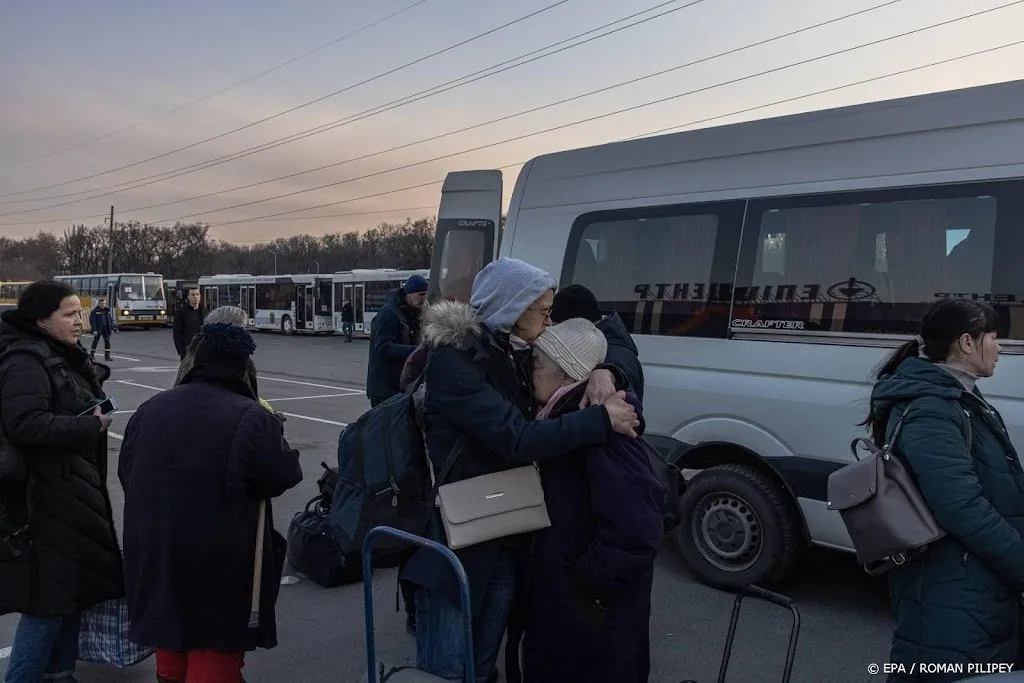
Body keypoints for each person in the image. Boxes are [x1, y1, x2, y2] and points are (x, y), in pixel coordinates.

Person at [399, 258, 641, 682]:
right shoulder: (455, 363)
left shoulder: (508, 349)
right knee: (447, 671)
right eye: (544, 311)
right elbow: (517, 438)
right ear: (513, 306)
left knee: (482, 664)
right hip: (460, 544)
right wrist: (602, 420)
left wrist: (608, 368)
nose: (550, 323)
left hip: (505, 538)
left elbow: (607, 337)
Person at [119, 323, 303, 683]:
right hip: (218, 554)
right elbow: (282, 475)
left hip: (155, 542)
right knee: (212, 649)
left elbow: (128, 472)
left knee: (168, 634)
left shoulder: (150, 408)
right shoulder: (251, 416)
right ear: (243, 367)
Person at [863, 298, 1024, 682]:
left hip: (975, 582)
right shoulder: (931, 407)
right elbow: (960, 506)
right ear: (967, 343)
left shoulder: (960, 397)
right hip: (952, 589)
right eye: (994, 337)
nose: (1001, 346)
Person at [516, 318, 663, 682]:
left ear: (567, 377)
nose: (528, 369)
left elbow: (636, 529)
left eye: (536, 363)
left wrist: (584, 585)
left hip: (590, 615)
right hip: (569, 607)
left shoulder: (603, 431)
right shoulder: (562, 417)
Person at [0, 280, 122, 683]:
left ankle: (61, 674)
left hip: (70, 493)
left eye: (80, 313)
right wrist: (87, 427)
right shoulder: (24, 360)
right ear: (40, 319)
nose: (80, 322)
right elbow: (24, 423)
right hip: (43, 500)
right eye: (70, 314)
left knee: (70, 593)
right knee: (47, 603)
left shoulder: (55, 353)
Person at [550, 284, 644, 401]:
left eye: (557, 328)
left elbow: (620, 364)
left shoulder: (614, 351)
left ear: (577, 326)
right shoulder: (612, 339)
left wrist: (606, 372)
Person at [366, 274, 428, 407]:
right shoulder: (388, 313)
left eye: (425, 295)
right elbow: (384, 348)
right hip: (385, 387)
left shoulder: (415, 313)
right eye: (421, 294)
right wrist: (417, 351)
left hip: (400, 385)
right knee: (385, 426)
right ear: (409, 294)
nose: (424, 299)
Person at [172, 287, 204, 361]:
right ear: (188, 297)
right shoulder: (181, 312)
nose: (195, 297)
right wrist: (181, 352)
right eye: (193, 295)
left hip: (202, 350)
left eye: (197, 294)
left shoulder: (204, 311)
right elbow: (177, 333)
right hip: (188, 351)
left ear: (200, 296)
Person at [88, 296, 115, 362]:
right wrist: (94, 330)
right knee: (95, 342)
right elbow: (92, 321)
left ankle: (107, 356)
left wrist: (112, 328)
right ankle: (91, 355)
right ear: (99, 304)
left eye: (104, 303)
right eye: (102, 303)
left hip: (106, 328)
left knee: (107, 342)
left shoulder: (107, 310)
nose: (103, 305)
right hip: (98, 329)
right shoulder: (95, 311)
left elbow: (110, 320)